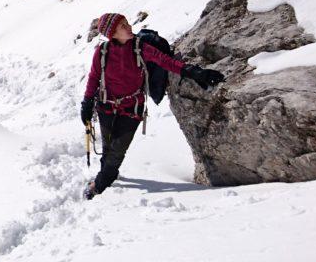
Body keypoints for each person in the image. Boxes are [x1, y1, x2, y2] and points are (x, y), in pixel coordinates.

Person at [80, 13, 224, 200]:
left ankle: (101, 183)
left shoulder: (140, 48)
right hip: (106, 106)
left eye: (127, 22)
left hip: (132, 109)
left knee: (117, 150)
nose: (129, 26)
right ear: (113, 33)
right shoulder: (102, 52)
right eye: (123, 25)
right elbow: (93, 78)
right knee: (108, 148)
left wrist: (195, 72)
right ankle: (109, 172)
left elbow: (166, 61)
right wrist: (87, 102)